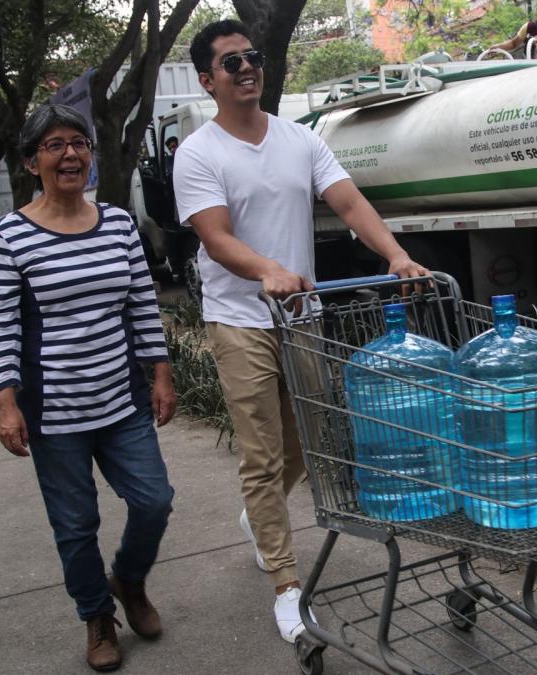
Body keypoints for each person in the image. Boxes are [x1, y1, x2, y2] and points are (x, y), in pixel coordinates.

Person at [173, 20, 430, 645]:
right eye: (231, 63)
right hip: (240, 318)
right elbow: (215, 234)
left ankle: (256, 519)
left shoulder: (298, 139)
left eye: (252, 58)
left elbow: (349, 203)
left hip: (302, 317)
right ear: (208, 81)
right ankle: (288, 587)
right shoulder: (199, 152)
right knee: (262, 454)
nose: (247, 69)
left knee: (308, 440)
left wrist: (395, 255)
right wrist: (267, 270)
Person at [0, 103, 176, 672]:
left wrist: (160, 374)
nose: (70, 153)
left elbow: (142, 303)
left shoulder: (117, 222)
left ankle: (130, 582)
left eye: (79, 143)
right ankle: (97, 617)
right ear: (31, 161)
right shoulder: (8, 235)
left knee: (154, 500)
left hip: (121, 401)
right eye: (54, 145)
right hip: (53, 413)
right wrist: (6, 404)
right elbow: (2, 325)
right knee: (75, 525)